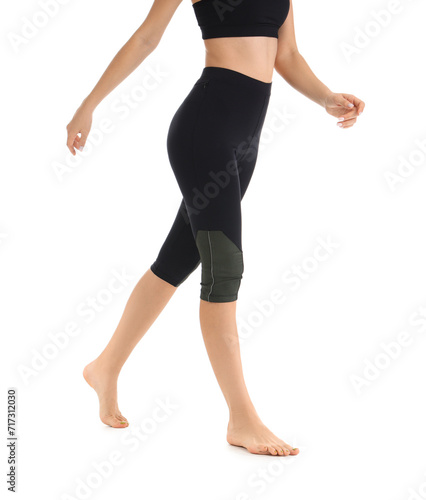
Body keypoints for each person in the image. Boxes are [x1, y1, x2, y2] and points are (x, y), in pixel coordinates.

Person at [66, 0, 365, 456]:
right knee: (224, 266)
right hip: (203, 133)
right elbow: (147, 37)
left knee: (176, 260)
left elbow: (287, 55)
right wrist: (88, 105)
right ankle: (242, 419)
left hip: (244, 143)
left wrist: (327, 98)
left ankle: (104, 367)